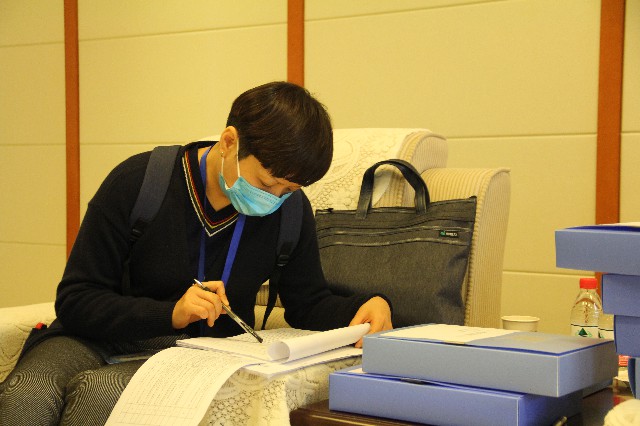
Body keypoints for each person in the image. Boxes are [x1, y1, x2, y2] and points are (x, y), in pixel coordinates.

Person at [0, 81, 393, 425]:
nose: (274, 199)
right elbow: (76, 299)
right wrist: (171, 313)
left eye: (288, 190)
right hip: (93, 335)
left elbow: (307, 303)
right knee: (27, 393)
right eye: (266, 183)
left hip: (194, 352)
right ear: (229, 142)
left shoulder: (290, 212)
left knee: (99, 392)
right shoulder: (138, 183)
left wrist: (364, 306)